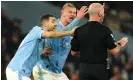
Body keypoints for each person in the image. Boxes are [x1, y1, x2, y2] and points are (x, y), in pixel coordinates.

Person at [6, 14, 76, 80]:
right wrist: (69, 32)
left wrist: (42, 53)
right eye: (53, 21)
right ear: (45, 24)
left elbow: (31, 55)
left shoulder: (41, 41)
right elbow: (49, 35)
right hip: (17, 71)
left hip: (23, 73)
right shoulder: (36, 30)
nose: (56, 24)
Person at [71, 3, 128, 80]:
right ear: (100, 14)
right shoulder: (105, 30)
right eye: (103, 13)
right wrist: (120, 43)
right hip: (99, 70)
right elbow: (114, 50)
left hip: (83, 69)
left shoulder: (79, 30)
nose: (104, 15)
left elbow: (73, 52)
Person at [33, 3, 88, 80]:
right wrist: (77, 19)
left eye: (74, 13)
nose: (72, 14)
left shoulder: (72, 31)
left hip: (57, 73)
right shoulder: (53, 25)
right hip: (44, 69)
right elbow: (60, 33)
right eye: (70, 12)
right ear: (62, 12)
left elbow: (73, 50)